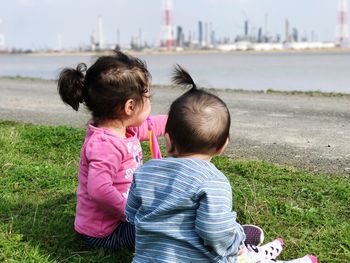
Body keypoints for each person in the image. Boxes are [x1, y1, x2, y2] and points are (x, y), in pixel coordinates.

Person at [125, 65, 318, 263]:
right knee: (236, 254)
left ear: (168, 139)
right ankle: (257, 255)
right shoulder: (213, 181)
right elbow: (214, 232)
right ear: (222, 146)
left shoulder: (145, 172)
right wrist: (237, 242)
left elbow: (131, 214)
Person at [57, 51, 167, 251]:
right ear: (130, 106)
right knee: (161, 225)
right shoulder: (105, 144)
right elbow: (99, 191)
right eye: (147, 96)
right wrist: (131, 212)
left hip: (121, 219)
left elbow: (152, 127)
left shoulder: (123, 129)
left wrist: (178, 119)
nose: (150, 102)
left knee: (162, 216)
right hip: (105, 233)